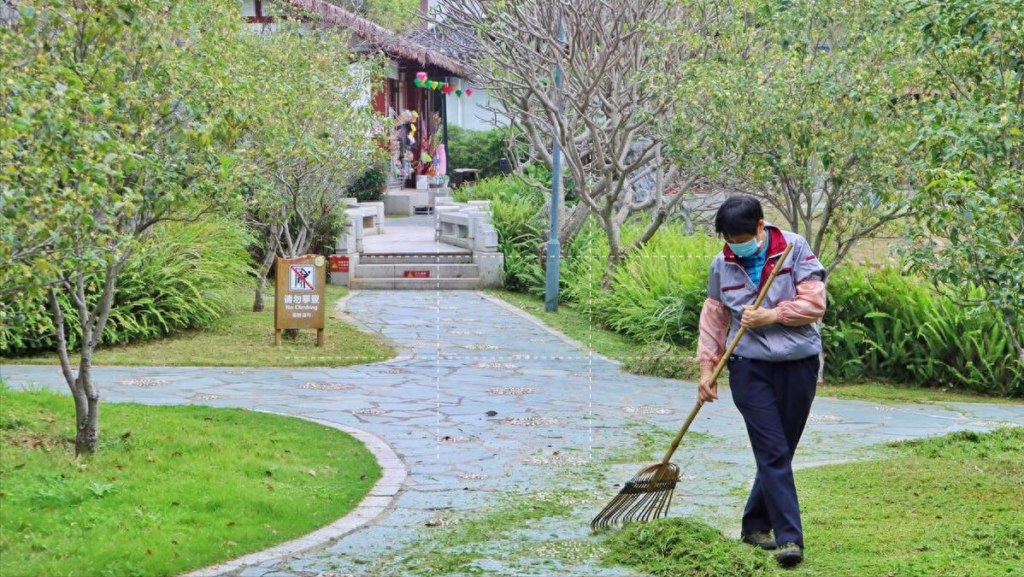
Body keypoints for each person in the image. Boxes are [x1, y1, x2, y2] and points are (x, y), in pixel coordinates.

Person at [696, 195, 827, 568]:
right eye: (729, 238)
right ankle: (789, 538)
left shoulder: (793, 248)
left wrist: (772, 315)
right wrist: (708, 370)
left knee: (780, 450)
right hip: (748, 366)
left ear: (760, 226)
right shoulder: (722, 264)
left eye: (742, 236)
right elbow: (714, 318)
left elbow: (816, 303)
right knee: (772, 449)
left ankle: (754, 525)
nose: (736, 244)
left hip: (797, 362)